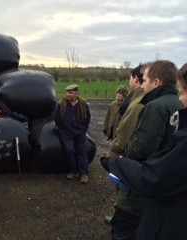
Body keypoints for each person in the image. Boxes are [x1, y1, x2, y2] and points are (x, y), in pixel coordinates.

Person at [101, 63, 187, 239]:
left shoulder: (154, 106)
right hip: (167, 195)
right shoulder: (174, 104)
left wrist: (119, 158)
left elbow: (140, 148)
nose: (142, 85)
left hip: (141, 191)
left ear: (156, 82)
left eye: (145, 80)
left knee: (125, 229)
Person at [104, 64, 145, 224]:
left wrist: (113, 153)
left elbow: (123, 135)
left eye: (130, 77)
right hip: (129, 150)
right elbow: (111, 118)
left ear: (135, 79)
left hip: (126, 154)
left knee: (125, 190)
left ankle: (120, 218)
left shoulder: (137, 102)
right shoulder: (132, 101)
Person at [54, 84, 91, 183]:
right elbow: (56, 117)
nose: (68, 94)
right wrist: (63, 127)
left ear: (76, 93)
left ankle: (84, 174)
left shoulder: (83, 103)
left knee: (82, 151)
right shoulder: (61, 104)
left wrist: (83, 128)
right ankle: (73, 171)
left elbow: (88, 117)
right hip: (67, 133)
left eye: (70, 93)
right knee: (70, 150)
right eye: (67, 92)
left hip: (80, 133)